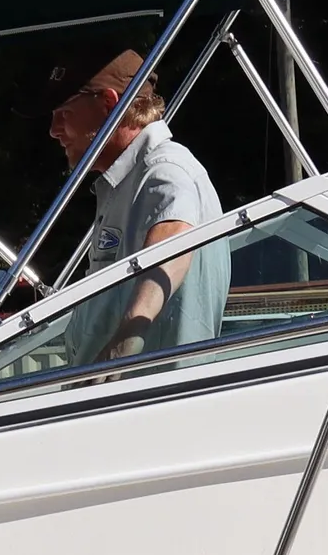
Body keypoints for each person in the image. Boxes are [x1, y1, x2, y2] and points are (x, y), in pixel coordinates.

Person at [47, 48, 229, 359]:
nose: (53, 130)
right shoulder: (128, 179)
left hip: (147, 398)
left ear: (108, 103)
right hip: (120, 395)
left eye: (64, 112)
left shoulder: (165, 170)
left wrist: (127, 337)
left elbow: (174, 234)